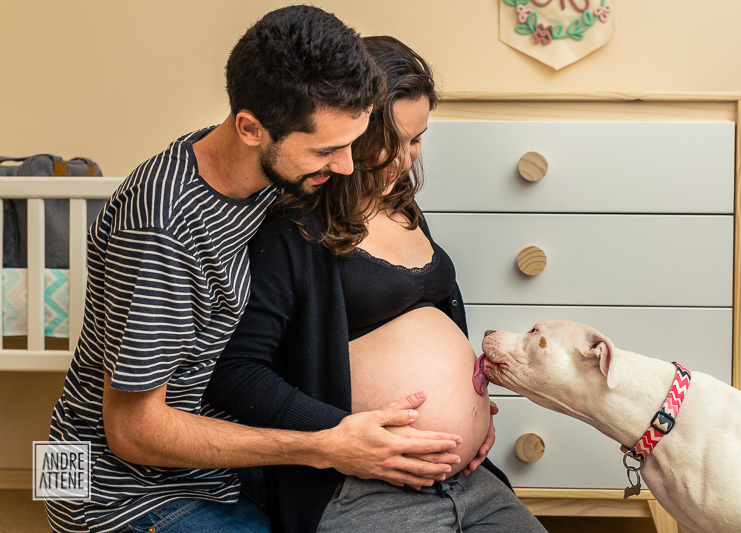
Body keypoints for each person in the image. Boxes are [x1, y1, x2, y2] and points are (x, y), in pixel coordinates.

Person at [45, 9, 465, 533]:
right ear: (250, 128)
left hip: (218, 473)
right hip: (123, 490)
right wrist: (325, 446)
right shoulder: (163, 225)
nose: (346, 168)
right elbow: (131, 431)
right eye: (329, 150)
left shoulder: (264, 168)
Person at [205, 36, 548, 533]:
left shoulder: (403, 205)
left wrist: (474, 412)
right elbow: (236, 374)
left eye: (417, 138)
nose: (405, 160)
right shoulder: (294, 227)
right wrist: (342, 437)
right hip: (358, 487)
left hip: (468, 480)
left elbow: (435, 327)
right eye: (390, 142)